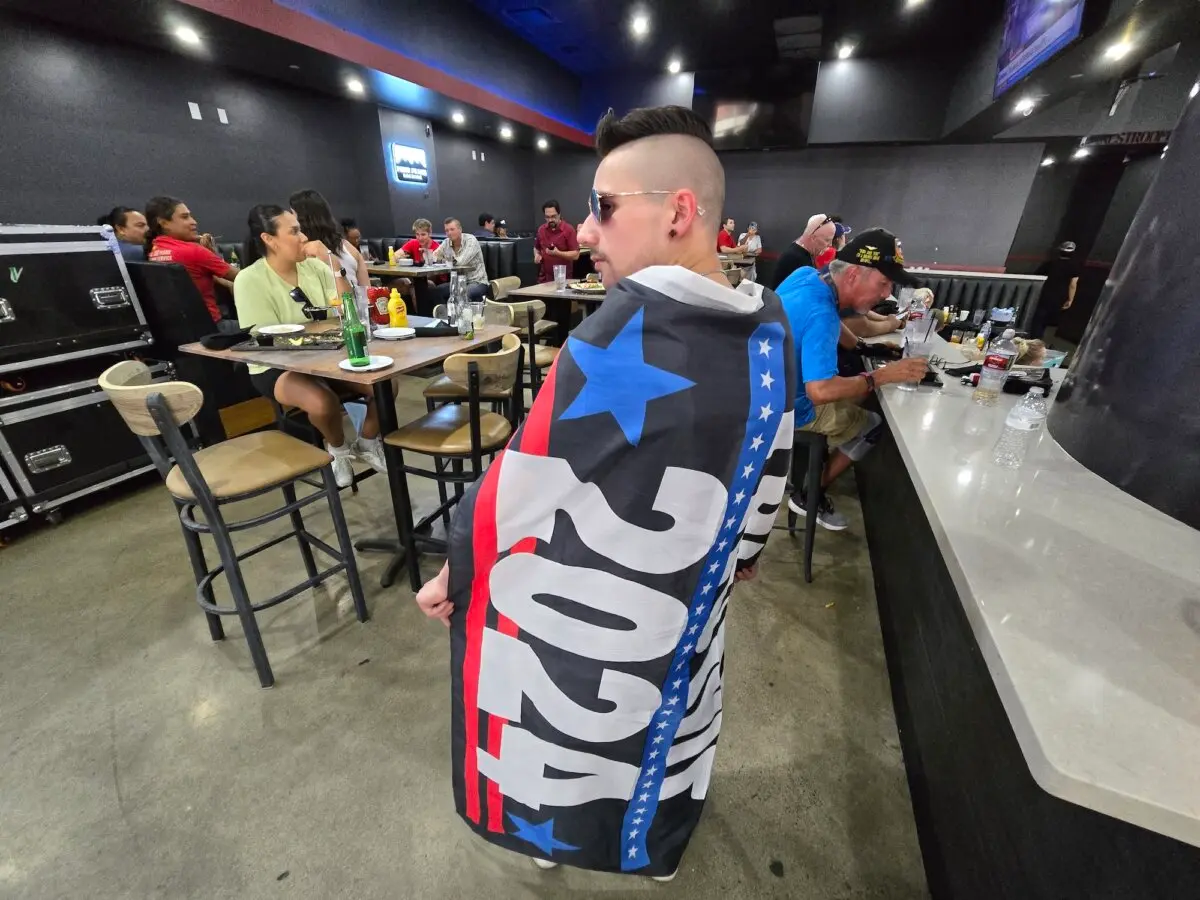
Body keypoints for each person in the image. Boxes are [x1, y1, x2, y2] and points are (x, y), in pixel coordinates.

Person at [415, 104, 795, 882]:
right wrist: (741, 559)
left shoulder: (622, 329)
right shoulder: (770, 326)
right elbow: (775, 467)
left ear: (679, 212)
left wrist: (460, 568)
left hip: (593, 596)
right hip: (688, 590)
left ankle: (550, 828)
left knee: (569, 703)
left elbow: (525, 478)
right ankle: (654, 844)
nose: (585, 232)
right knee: (675, 704)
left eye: (604, 207)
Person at [776, 227, 926, 531]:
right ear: (854, 275)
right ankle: (810, 494)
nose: (886, 294)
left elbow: (831, 317)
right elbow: (820, 390)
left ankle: (818, 460)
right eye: (883, 283)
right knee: (873, 424)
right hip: (788, 410)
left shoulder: (808, 276)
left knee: (855, 389)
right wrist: (881, 376)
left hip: (767, 390)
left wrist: (862, 347)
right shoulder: (820, 313)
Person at [233, 204, 387, 487]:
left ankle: (366, 442)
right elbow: (264, 338)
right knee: (322, 402)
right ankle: (338, 450)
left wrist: (334, 265)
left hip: (326, 358)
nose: (303, 237)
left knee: (384, 383)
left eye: (301, 229)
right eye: (294, 231)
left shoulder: (315, 267)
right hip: (275, 366)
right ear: (269, 239)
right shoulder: (249, 279)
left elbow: (347, 309)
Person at [145, 196, 241, 331]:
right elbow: (244, 278)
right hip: (212, 328)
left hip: (181, 330)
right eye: (185, 217)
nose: (193, 222)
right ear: (164, 223)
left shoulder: (155, 250)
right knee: (268, 327)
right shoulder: (193, 251)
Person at [289, 189, 370, 298]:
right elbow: (367, 293)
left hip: (331, 312)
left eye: (292, 213)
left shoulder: (303, 253)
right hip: (359, 312)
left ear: (302, 219)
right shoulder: (347, 247)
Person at [768, 213, 836, 290]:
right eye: (827, 240)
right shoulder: (796, 259)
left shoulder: (799, 253)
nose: (830, 245)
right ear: (813, 238)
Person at [432, 217, 489, 302]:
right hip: (457, 282)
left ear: (460, 229)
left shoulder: (471, 240)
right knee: (436, 291)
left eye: (452, 229)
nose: (449, 233)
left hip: (477, 282)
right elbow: (434, 257)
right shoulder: (446, 242)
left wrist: (444, 259)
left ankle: (459, 315)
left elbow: (461, 262)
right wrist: (443, 259)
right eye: (447, 230)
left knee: (462, 293)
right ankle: (441, 314)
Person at [1030, 240, 1080, 338]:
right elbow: (1073, 284)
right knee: (1052, 320)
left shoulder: (1050, 264)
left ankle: (1035, 340)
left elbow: (1036, 277)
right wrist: (1070, 299)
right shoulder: (1074, 267)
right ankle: (1044, 342)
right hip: (1061, 297)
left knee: (1039, 320)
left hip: (1045, 294)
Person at [534, 199, 579, 282]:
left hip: (563, 279)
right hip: (544, 279)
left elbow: (575, 255)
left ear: (559, 214)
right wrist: (537, 255)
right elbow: (536, 248)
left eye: (553, 216)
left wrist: (558, 253)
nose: (550, 220)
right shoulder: (541, 230)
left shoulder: (568, 230)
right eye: (547, 217)